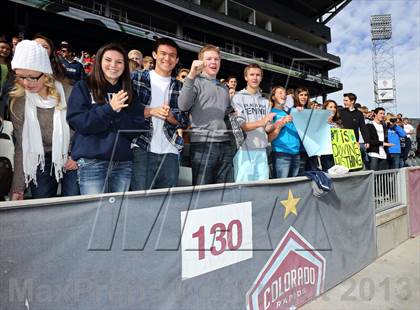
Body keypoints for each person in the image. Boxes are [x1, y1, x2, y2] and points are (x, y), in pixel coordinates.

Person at [67, 43, 145, 195]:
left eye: (119, 62)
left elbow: (137, 128)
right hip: (91, 163)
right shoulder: (83, 86)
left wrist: (112, 115)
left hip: (123, 163)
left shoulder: (130, 93)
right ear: (99, 62)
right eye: (108, 60)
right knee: (95, 213)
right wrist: (109, 109)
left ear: (125, 66)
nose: (113, 65)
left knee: (116, 215)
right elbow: (80, 123)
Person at [9, 40, 79, 199]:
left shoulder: (69, 93)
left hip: (72, 154)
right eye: (21, 77)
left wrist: (76, 155)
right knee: (41, 203)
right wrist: (18, 188)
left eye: (32, 77)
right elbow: (22, 147)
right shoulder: (19, 102)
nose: (26, 83)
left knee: (72, 201)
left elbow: (83, 129)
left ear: (46, 73)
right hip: (40, 158)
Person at [130, 38, 189, 190]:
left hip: (170, 150)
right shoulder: (136, 78)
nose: (167, 58)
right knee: (140, 202)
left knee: (167, 204)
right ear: (154, 55)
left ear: (176, 61)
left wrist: (171, 117)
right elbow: (126, 112)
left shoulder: (180, 86)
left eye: (172, 55)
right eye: (163, 53)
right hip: (142, 147)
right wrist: (151, 111)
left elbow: (184, 121)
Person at [178, 44, 234, 185]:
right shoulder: (194, 82)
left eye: (216, 59)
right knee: (201, 193)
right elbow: (183, 105)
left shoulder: (224, 88)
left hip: (225, 145)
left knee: (223, 192)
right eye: (209, 59)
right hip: (203, 145)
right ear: (201, 62)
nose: (213, 62)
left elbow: (228, 114)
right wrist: (191, 75)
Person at [231, 63, 274, 182]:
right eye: (252, 75)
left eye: (258, 75)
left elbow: (267, 128)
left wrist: (278, 124)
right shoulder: (238, 97)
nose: (255, 78)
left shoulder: (265, 101)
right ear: (246, 77)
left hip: (261, 151)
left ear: (261, 78)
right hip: (244, 150)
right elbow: (243, 126)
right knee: (242, 190)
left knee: (262, 189)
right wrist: (262, 121)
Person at [268, 86, 301, 178]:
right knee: (281, 188)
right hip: (281, 155)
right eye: (280, 93)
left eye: (285, 93)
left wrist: (301, 113)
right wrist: (280, 124)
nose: (284, 95)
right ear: (273, 97)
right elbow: (268, 138)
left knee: (294, 188)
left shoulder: (291, 112)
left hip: (296, 154)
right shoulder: (270, 113)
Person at [321, 99, 342, 171]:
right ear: (325, 108)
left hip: (338, 154)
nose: (333, 109)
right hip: (327, 154)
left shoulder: (337, 123)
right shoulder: (320, 121)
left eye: (335, 107)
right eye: (330, 107)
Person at [0, 37, 13, 120]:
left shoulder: (11, 64)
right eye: (2, 47)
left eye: (8, 49)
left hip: (4, 97)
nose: (5, 50)